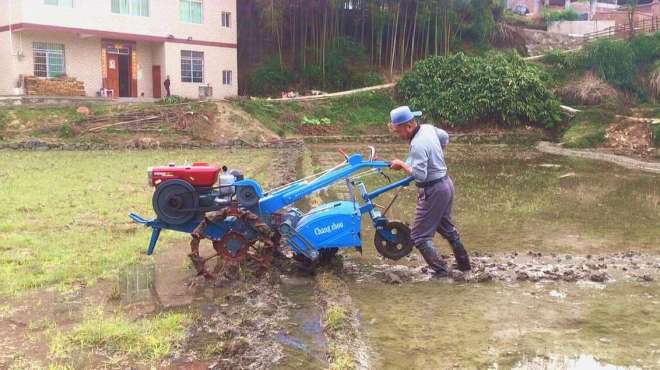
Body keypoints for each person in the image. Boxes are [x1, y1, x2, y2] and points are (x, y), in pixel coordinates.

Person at [388, 106, 471, 276]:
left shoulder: (417, 144)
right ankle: (465, 266)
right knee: (446, 228)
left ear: (409, 126)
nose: (399, 136)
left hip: (433, 191)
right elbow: (445, 137)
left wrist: (402, 164)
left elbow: (419, 175)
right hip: (446, 184)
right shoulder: (428, 128)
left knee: (419, 236)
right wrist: (435, 157)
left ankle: (441, 272)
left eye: (398, 132)